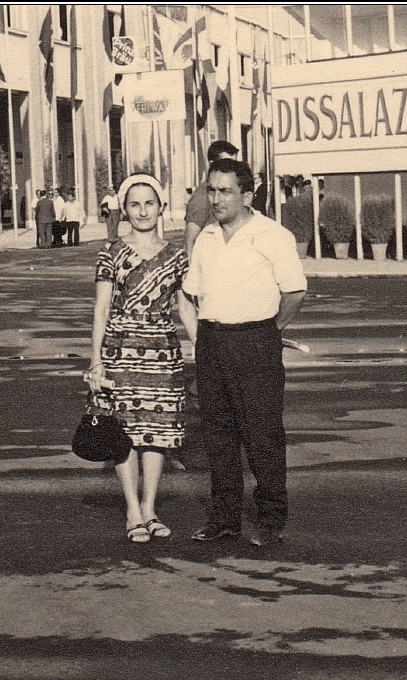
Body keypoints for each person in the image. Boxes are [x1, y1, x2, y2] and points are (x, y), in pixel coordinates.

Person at [183, 158, 307, 547]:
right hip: (212, 343)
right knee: (218, 437)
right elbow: (191, 294)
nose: (215, 199)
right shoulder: (205, 237)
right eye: (211, 190)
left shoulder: (273, 235)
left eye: (225, 191)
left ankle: (271, 519)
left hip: (256, 343)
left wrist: (269, 331)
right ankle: (225, 520)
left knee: (262, 435)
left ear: (247, 195)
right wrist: (201, 336)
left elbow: (295, 291)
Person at [86, 174, 196, 543]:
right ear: (125, 209)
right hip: (120, 352)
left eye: (150, 203)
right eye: (135, 204)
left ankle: (150, 507)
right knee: (124, 434)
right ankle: (132, 510)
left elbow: (185, 308)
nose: (143, 210)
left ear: (161, 207)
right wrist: (95, 361)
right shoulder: (112, 252)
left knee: (157, 434)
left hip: (162, 353)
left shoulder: (176, 255)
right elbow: (101, 308)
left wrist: (207, 349)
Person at [184, 139, 239, 255]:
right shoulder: (202, 196)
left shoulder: (232, 191)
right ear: (212, 163)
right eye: (227, 164)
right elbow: (190, 242)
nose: (232, 169)